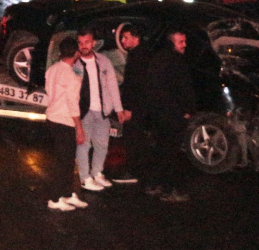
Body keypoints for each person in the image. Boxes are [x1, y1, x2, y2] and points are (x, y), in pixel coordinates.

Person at [143, 31, 196, 202]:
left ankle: (154, 184)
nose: (184, 45)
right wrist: (184, 110)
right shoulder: (174, 62)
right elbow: (179, 89)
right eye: (181, 41)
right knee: (171, 153)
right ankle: (168, 189)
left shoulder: (158, 60)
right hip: (172, 115)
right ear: (171, 42)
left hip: (160, 114)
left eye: (185, 41)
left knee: (162, 150)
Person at [74, 28, 125, 193]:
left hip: (102, 110)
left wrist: (118, 109)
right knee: (83, 145)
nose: (84, 46)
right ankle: (85, 178)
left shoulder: (103, 61)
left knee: (102, 144)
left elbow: (112, 85)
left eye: (87, 42)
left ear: (93, 43)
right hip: (84, 111)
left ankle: (97, 173)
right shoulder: (75, 64)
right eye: (80, 43)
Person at [44, 38, 88, 211]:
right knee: (64, 161)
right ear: (76, 53)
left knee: (67, 160)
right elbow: (72, 104)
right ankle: (55, 199)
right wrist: (79, 128)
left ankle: (67, 194)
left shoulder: (52, 69)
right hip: (64, 121)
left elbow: (49, 90)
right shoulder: (71, 76)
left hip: (52, 117)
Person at [110, 24, 151, 185]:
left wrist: (130, 109)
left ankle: (133, 170)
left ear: (136, 38)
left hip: (135, 108)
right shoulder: (139, 54)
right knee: (136, 139)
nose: (122, 40)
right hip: (138, 107)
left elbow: (137, 86)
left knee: (133, 139)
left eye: (126, 37)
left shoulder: (139, 57)